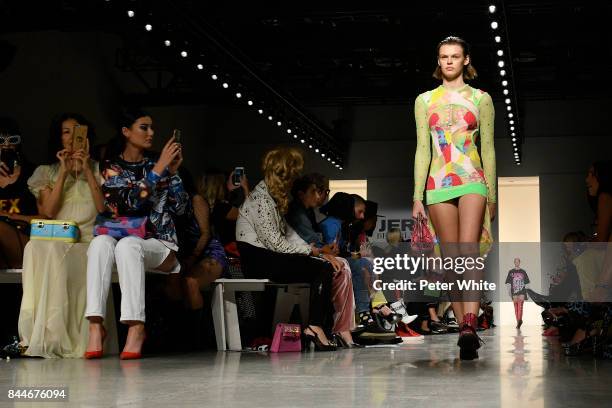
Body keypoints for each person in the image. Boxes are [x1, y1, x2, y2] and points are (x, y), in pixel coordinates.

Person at [412, 36, 496, 360]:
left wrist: (492, 195)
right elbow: (422, 148)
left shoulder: (481, 98)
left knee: (468, 251)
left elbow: (488, 148)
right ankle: (465, 330)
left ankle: (472, 321)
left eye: (455, 56)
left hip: (473, 178)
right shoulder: (424, 100)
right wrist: (417, 196)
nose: (448, 61)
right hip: (437, 182)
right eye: (443, 56)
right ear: (438, 60)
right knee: (450, 261)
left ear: (465, 60)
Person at [84, 108, 188, 360]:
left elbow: (181, 208)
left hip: (160, 245)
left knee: (128, 245)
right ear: (126, 132)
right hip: (123, 240)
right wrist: (159, 168)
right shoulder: (112, 167)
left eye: (152, 127)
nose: (151, 133)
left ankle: (136, 327)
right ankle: (96, 325)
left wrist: (172, 173)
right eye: (144, 127)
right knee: (99, 243)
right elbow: (126, 205)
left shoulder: (160, 163)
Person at [236, 147, 339, 351]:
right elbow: (276, 243)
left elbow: (288, 235)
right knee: (322, 268)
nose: (293, 181)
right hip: (257, 259)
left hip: (267, 256)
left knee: (322, 266)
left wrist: (315, 252)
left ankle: (317, 326)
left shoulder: (271, 198)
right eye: (292, 176)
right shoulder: (261, 200)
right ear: (283, 175)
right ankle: (315, 327)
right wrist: (312, 252)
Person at [19, 113, 105, 358]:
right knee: (33, 247)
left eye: (77, 131)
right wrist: (65, 173)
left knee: (56, 251)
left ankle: (59, 336)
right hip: (57, 238)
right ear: (59, 138)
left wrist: (86, 169)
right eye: (66, 132)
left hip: (88, 242)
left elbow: (101, 208)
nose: (72, 137)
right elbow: (48, 212)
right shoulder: (46, 172)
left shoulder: (99, 169)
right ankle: (38, 335)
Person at [286, 175, 357, 347]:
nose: (321, 196)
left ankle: (342, 327)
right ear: (301, 193)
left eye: (324, 191)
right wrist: (327, 251)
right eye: (317, 191)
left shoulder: (307, 211)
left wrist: (326, 250)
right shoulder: (296, 210)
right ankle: (339, 327)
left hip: (307, 253)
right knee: (342, 267)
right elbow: (312, 241)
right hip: (296, 255)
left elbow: (316, 241)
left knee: (343, 266)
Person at [0, 117, 38, 269]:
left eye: (13, 140)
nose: (7, 145)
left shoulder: (33, 174)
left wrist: (11, 217)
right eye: (1, 140)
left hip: (25, 239)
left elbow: (47, 217)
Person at [505, 258, 530, 329]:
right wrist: (509, 292)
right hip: (514, 291)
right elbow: (508, 283)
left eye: (518, 261)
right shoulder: (511, 271)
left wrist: (528, 293)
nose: (516, 263)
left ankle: (519, 320)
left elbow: (527, 283)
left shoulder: (523, 271)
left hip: (522, 291)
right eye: (515, 262)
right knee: (515, 307)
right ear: (514, 262)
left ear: (519, 262)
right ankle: (518, 322)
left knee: (520, 306)